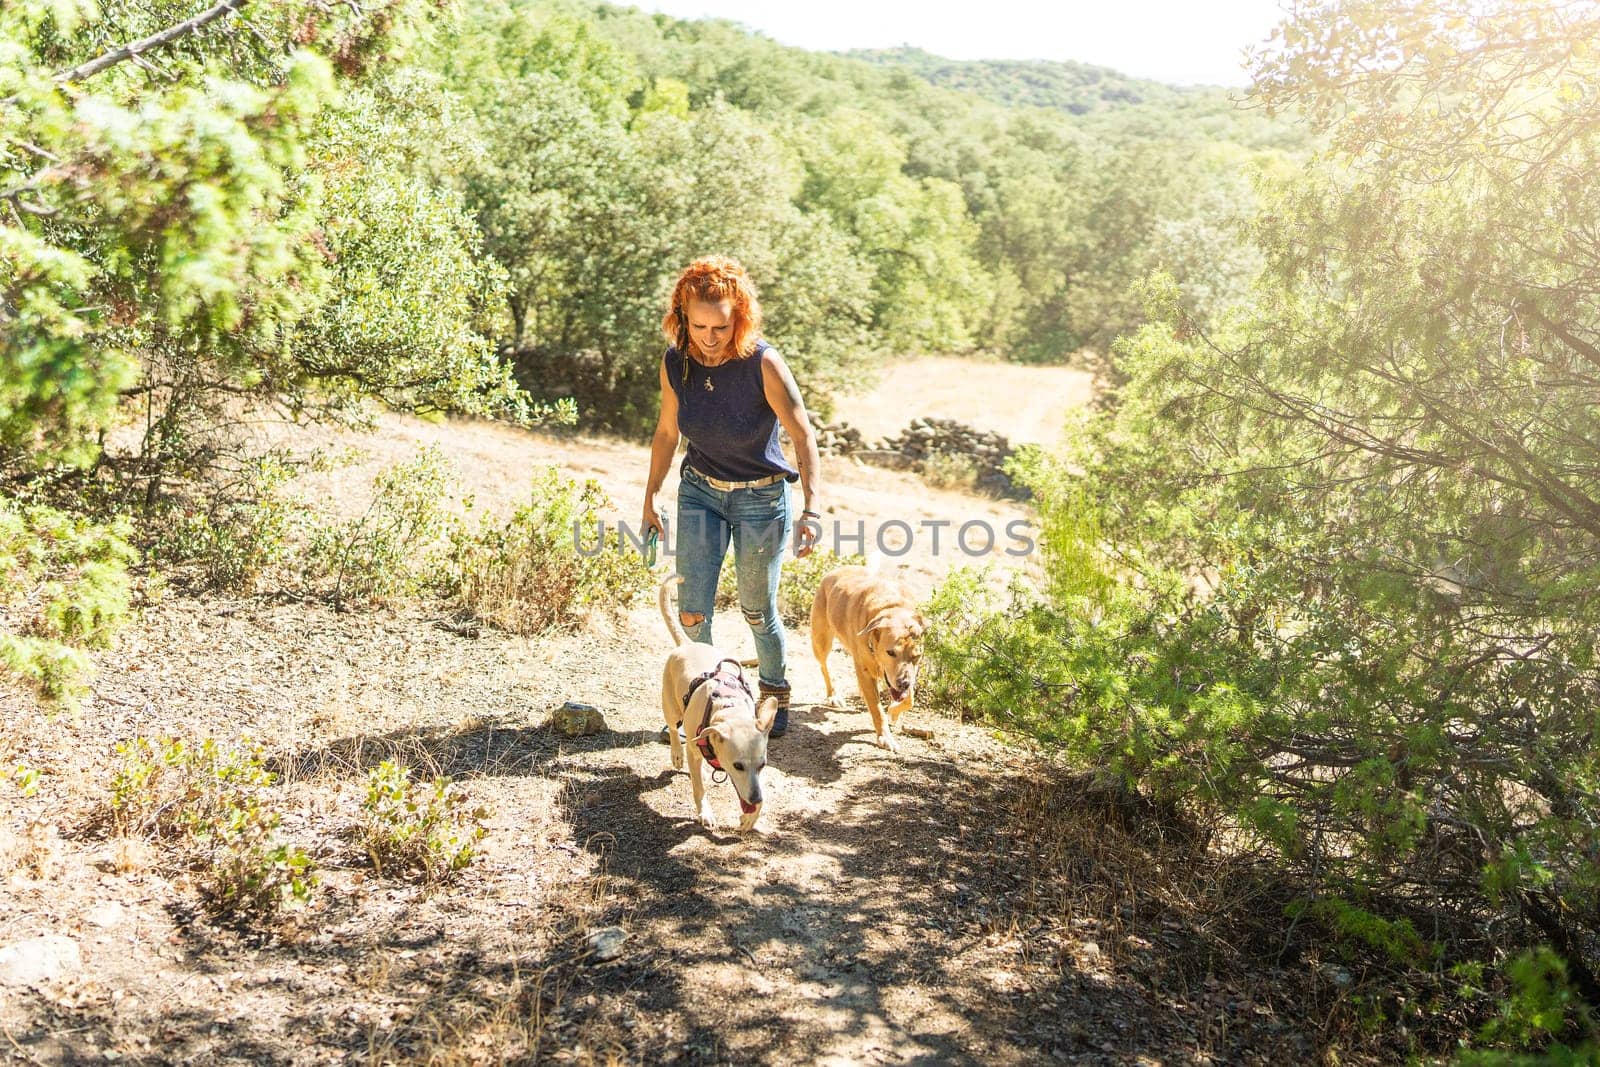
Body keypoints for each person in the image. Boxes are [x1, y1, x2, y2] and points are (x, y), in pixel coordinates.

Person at [641, 256, 821, 737]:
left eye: (720, 325)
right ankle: (707, 699)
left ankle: (774, 694)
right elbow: (665, 432)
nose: (709, 336)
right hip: (700, 492)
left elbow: (803, 435)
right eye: (697, 324)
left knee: (757, 610)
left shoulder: (762, 362)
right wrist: (650, 498)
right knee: (692, 611)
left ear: (738, 315)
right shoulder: (676, 361)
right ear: (682, 317)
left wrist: (812, 509)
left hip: (761, 499)